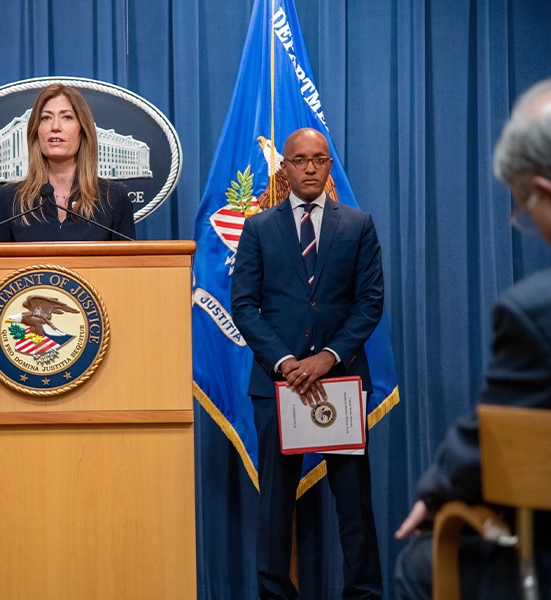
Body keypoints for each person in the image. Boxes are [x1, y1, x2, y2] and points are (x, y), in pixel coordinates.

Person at [394, 79, 551, 600]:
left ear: (544, 192)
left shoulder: (534, 310)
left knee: (421, 564)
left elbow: (495, 437)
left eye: (523, 209)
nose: (526, 220)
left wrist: (437, 494)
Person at [231, 128, 385, 599]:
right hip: (279, 386)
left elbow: (370, 302)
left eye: (320, 159)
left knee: (355, 506)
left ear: (329, 167)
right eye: (300, 160)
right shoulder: (258, 228)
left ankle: (363, 593)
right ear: (285, 168)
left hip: (339, 381)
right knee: (276, 505)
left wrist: (326, 357)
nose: (311, 168)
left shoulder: (358, 225)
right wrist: (285, 362)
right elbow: (244, 305)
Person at [0, 83, 136, 242]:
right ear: (36, 131)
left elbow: (126, 265)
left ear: (82, 130)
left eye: (67, 117)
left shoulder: (114, 197)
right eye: (46, 118)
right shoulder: (11, 199)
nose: (55, 127)